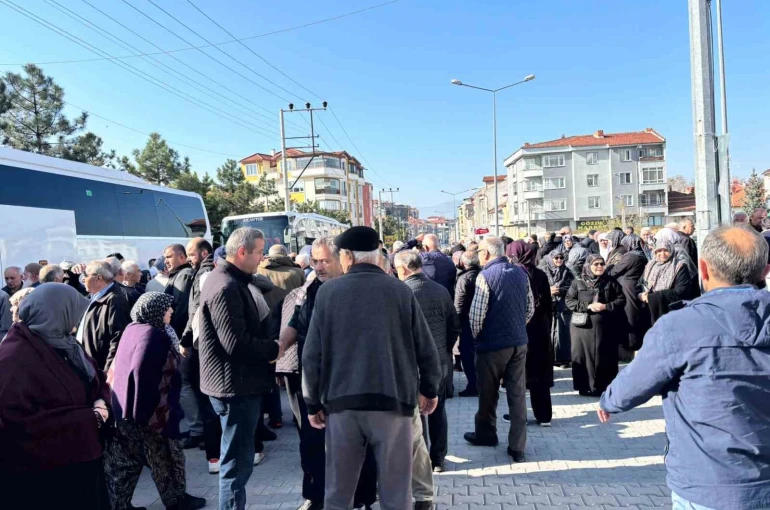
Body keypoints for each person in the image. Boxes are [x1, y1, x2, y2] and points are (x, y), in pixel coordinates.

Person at [597, 226, 770, 510]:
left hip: (707, 482)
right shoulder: (680, 324)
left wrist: (609, 401)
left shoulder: (680, 326)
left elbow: (636, 382)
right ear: (765, 271)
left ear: (703, 269)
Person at [302, 226, 442, 510]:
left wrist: (311, 401)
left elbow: (311, 355)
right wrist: (429, 389)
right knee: (395, 494)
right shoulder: (401, 292)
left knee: (338, 494)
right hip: (394, 406)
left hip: (343, 407)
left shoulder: (328, 294)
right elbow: (426, 349)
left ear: (349, 257)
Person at [277, 237, 377, 510]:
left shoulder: (354, 291)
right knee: (311, 442)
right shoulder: (309, 290)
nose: (318, 267)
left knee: (357, 442)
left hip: (348, 382)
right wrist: (279, 348)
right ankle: (315, 496)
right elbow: (294, 323)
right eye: (314, 261)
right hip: (310, 379)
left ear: (341, 260)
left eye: (324, 261)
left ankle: (363, 496)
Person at [0, 283, 109, 509]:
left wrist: (101, 400)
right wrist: (90, 418)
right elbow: (16, 420)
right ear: (56, 313)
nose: (76, 322)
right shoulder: (15, 357)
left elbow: (95, 378)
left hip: (79, 460)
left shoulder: (64, 343)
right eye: (73, 314)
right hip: (44, 474)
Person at [199, 227, 279, 510]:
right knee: (236, 464)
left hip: (234, 385)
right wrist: (275, 348)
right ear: (242, 252)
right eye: (259, 252)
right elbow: (236, 343)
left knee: (236, 460)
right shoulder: (225, 286)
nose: (262, 258)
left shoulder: (228, 279)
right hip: (234, 388)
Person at [105, 292, 206, 510]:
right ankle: (177, 501)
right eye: (166, 308)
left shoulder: (133, 329)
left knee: (125, 462)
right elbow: (142, 373)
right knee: (168, 458)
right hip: (150, 413)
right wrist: (149, 415)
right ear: (155, 311)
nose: (170, 311)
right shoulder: (153, 335)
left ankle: (120, 505)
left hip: (124, 409)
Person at [463, 237, 533, 463]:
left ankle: (486, 434)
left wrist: (478, 337)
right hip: (518, 342)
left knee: (488, 393)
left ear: (485, 253)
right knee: (517, 394)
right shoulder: (521, 273)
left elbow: (476, 315)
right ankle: (517, 447)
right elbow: (530, 307)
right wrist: (517, 328)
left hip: (492, 345)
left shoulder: (486, 276)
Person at [394, 251, 460, 472]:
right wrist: (445, 349)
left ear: (403, 269)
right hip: (440, 362)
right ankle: (438, 459)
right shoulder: (440, 290)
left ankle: (420, 462)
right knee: (438, 410)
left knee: (416, 415)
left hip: (411, 365)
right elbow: (454, 325)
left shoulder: (401, 293)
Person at [506, 241, 553, 427]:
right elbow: (549, 305)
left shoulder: (513, 274)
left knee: (520, 375)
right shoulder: (540, 274)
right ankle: (544, 416)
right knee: (540, 374)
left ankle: (519, 416)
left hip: (522, 329)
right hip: (540, 330)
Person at [565, 254, 625, 396]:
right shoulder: (578, 282)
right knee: (582, 355)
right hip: (582, 328)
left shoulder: (611, 281)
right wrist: (588, 306)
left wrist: (606, 306)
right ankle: (584, 386)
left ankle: (604, 387)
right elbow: (569, 301)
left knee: (605, 355)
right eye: (596, 264)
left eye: (602, 264)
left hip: (606, 327)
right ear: (588, 265)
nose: (599, 267)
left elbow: (621, 300)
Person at [78, 260, 131, 371]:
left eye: (86, 275)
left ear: (99, 278)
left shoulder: (115, 300)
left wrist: (108, 372)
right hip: (89, 364)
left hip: (100, 368)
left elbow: (118, 338)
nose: (83, 279)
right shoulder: (95, 297)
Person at [638, 229, 697, 326]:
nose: (662, 254)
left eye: (666, 250)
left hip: (669, 310)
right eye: (659, 251)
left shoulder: (679, 266)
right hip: (651, 310)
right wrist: (640, 294)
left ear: (672, 250)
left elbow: (682, 290)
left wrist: (652, 297)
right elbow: (641, 282)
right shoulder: (650, 265)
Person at [610, 234, 649, 354]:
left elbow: (615, 271)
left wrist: (610, 268)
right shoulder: (640, 254)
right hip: (633, 285)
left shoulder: (631, 256)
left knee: (629, 314)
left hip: (626, 287)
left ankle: (631, 344)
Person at [455, 250, 480, 397]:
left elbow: (459, 303)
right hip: (483, 321)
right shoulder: (484, 274)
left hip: (467, 321)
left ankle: (473, 385)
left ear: (463, 263)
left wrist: (455, 325)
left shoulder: (464, 279)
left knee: (467, 354)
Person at [544, 252, 573, 367]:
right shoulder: (544, 271)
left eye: (561, 258)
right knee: (549, 331)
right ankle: (549, 358)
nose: (559, 260)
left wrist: (560, 290)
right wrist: (548, 290)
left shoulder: (567, 271)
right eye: (556, 258)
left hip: (563, 305)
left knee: (562, 332)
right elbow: (538, 287)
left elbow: (573, 287)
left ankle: (563, 359)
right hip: (549, 305)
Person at [258, 243, 306, 311]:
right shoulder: (298, 272)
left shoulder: (257, 271)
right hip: (290, 314)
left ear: (269, 254)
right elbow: (305, 296)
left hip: (265, 315)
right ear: (286, 254)